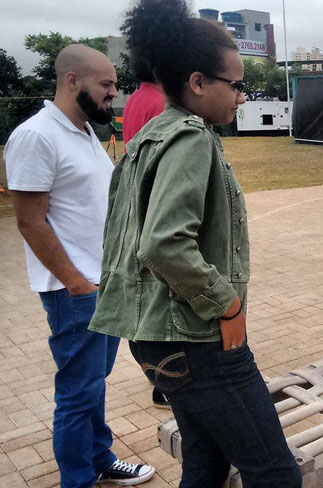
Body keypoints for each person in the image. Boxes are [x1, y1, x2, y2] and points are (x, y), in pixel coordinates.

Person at [88, 0, 301, 486]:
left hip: (156, 336)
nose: (243, 97)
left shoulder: (148, 137)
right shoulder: (190, 137)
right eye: (238, 84)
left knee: (205, 464)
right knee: (275, 473)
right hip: (198, 338)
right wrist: (226, 304)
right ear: (199, 82)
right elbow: (163, 243)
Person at [4, 44, 155, 487]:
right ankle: (78, 479)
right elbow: (30, 222)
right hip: (77, 291)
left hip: (103, 283)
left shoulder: (84, 130)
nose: (113, 93)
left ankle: (99, 458)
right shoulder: (36, 136)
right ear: (73, 80)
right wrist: (75, 283)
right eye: (106, 84)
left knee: (92, 384)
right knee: (76, 394)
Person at [120, 39, 168, 409]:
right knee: (166, 299)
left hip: (139, 203)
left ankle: (160, 378)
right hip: (158, 206)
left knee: (152, 296)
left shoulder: (136, 98)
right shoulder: (161, 103)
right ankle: (165, 382)